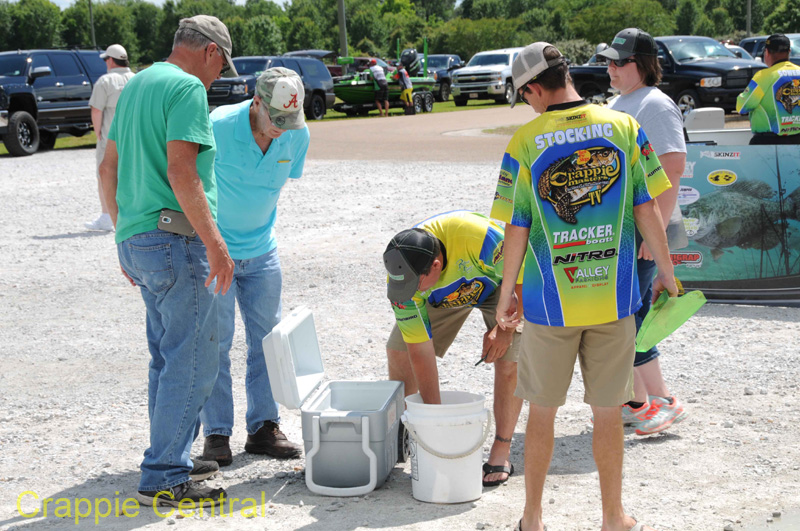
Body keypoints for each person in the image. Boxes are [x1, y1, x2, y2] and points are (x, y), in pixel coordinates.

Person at [493, 42, 677, 531]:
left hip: (549, 307)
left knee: (543, 412)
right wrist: (666, 270)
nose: (528, 103)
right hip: (612, 301)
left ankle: (531, 518)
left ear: (534, 88)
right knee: (607, 413)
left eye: (525, 95)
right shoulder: (624, 127)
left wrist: (507, 293)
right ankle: (613, 517)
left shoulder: (525, 142)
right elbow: (647, 206)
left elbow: (516, 226)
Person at [99, 15, 238, 508]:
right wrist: (218, 247)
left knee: (166, 356)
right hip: (176, 241)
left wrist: (123, 233)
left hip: (140, 239)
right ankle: (163, 475)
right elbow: (183, 172)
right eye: (221, 67)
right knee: (193, 359)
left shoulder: (136, 86)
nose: (217, 78)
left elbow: (107, 167)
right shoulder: (186, 89)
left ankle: (169, 454)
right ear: (210, 53)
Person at [200, 67, 310, 466]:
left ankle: (263, 426)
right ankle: (216, 433)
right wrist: (212, 245)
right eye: (274, 120)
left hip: (263, 251)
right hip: (216, 250)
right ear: (256, 101)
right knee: (216, 342)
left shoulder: (297, 133)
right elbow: (190, 182)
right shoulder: (218, 126)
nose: (281, 130)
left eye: (289, 121)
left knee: (269, 343)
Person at [384, 210, 524, 487]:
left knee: (509, 360)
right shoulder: (401, 282)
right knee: (399, 351)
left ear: (436, 266)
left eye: (415, 285)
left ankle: (502, 447)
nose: (410, 292)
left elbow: (524, 278)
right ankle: (411, 431)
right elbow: (419, 352)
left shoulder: (481, 238)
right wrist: (435, 423)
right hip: (442, 295)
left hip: (500, 283)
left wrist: (505, 330)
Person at [598, 28, 688, 435]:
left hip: (644, 232)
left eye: (618, 61)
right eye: (609, 61)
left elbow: (672, 168)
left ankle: (657, 401)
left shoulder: (655, 104)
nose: (610, 67)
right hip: (626, 232)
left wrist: (657, 238)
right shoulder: (621, 102)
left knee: (630, 319)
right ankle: (646, 401)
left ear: (642, 64)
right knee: (627, 317)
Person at [85, 44, 134, 232]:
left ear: (111, 60)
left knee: (104, 175)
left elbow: (96, 110)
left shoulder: (105, 81)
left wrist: (98, 134)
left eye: (106, 59)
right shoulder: (136, 79)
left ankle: (107, 216)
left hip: (110, 138)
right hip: (134, 139)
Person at [736, 33, 800, 145]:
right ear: (789, 52)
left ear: (767, 52)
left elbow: (742, 106)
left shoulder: (763, 76)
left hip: (768, 143)